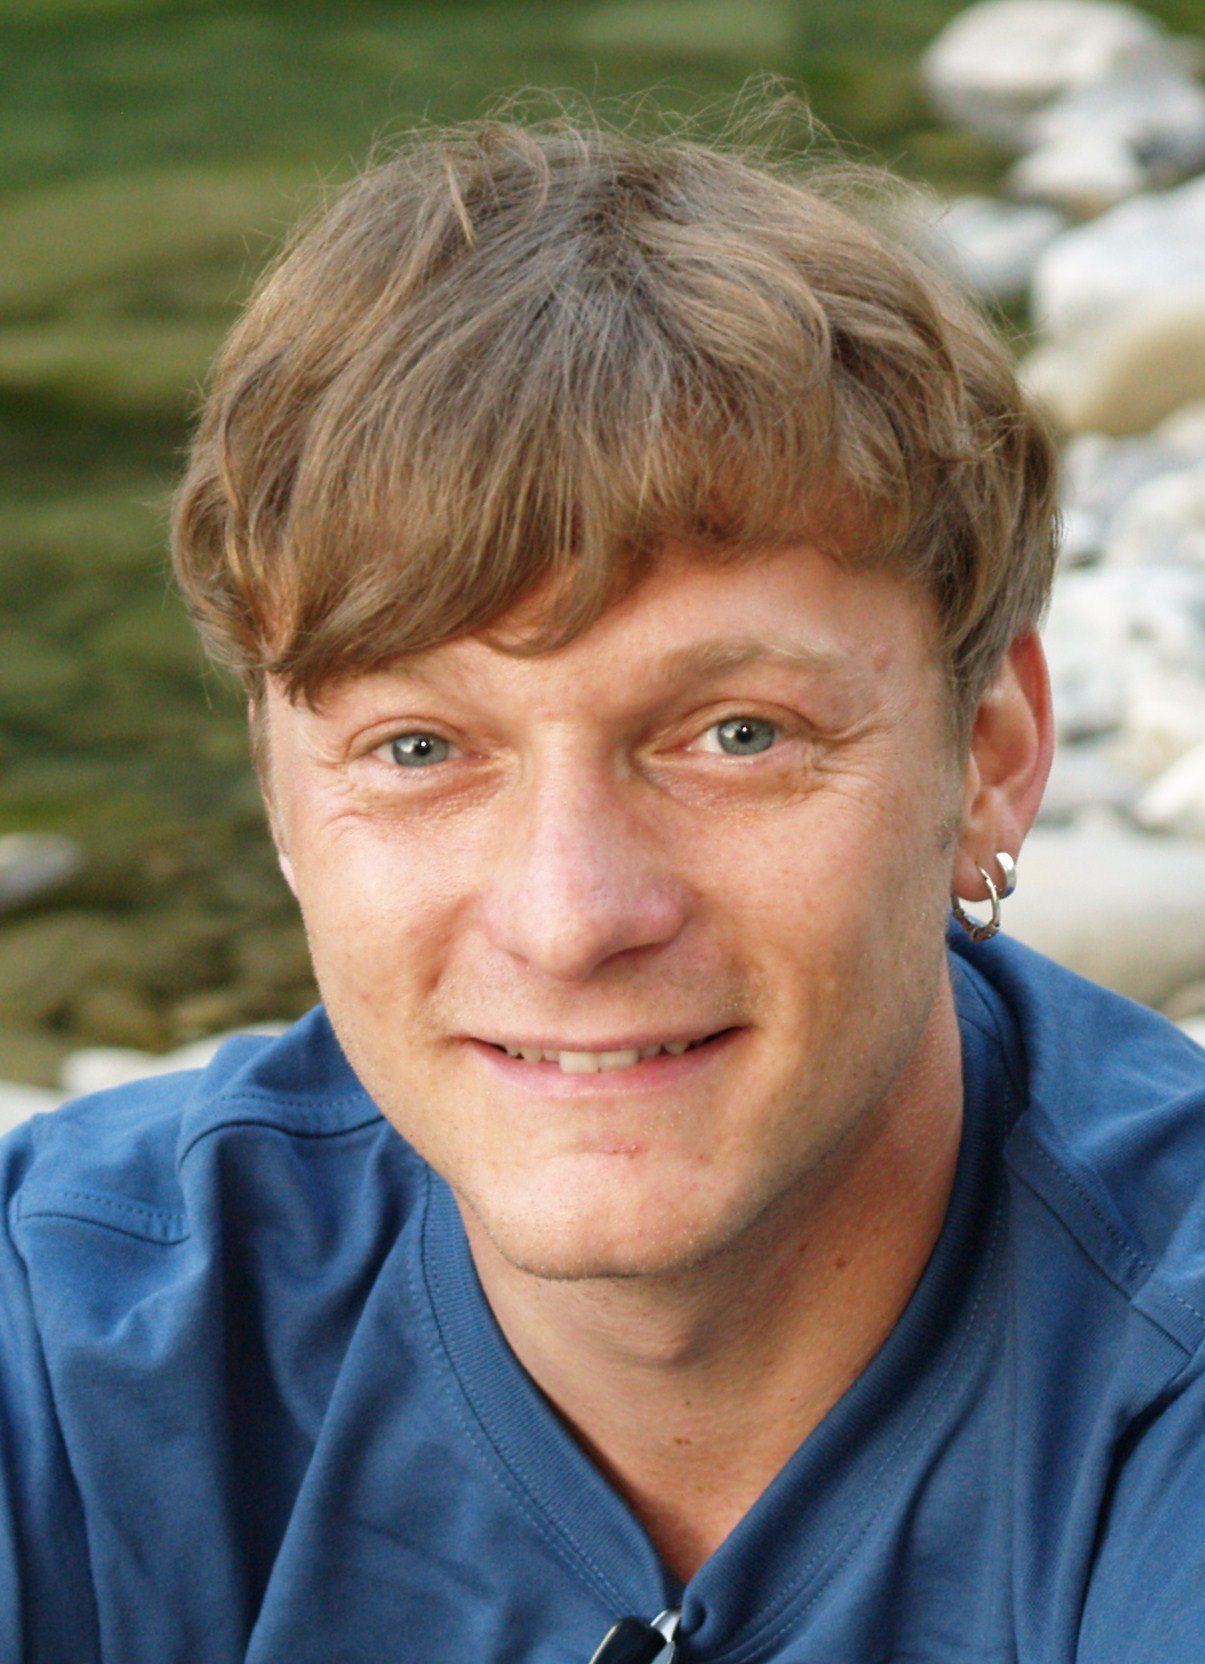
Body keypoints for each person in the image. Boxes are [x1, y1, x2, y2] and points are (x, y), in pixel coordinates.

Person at [2, 109, 1203, 1664]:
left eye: (736, 735)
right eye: (418, 748)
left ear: (988, 759)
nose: (569, 918)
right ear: (283, 802)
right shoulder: (69, 1337)